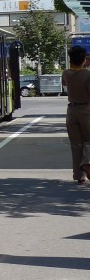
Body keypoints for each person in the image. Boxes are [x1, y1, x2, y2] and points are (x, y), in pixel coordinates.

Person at [62, 45, 90, 184]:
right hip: (86, 110)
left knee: (76, 144)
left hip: (71, 111)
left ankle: (79, 175)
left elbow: (65, 83)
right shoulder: (88, 74)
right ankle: (87, 163)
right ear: (84, 59)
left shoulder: (66, 73)